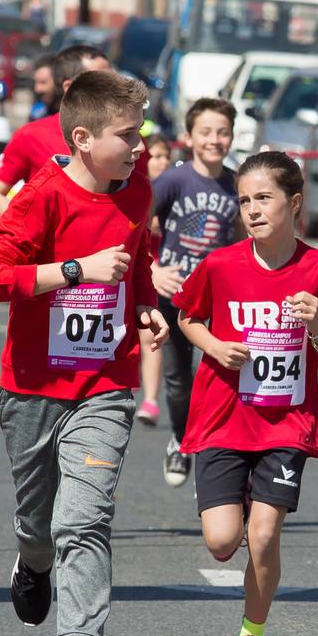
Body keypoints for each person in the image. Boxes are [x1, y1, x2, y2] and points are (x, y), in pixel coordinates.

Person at [0, 70, 170, 636]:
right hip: (30, 389)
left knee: (83, 520)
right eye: (127, 135)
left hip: (104, 389)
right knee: (39, 524)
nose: (139, 146)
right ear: (82, 138)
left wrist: (144, 306)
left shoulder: (137, 190)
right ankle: (31, 565)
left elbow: (134, 259)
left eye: (141, 133)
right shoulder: (39, 199)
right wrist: (73, 271)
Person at [173, 151, 318, 636]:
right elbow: (187, 315)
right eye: (244, 200)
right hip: (224, 418)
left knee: (265, 536)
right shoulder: (222, 264)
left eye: (264, 198)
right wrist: (215, 346)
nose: (252, 209)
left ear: (294, 203)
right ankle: (241, 498)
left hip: (285, 422)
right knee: (224, 542)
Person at [152, 98, 241, 488]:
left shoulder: (237, 184)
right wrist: (152, 271)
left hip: (217, 300)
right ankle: (180, 439)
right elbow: (134, 227)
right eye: (206, 131)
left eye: (222, 132)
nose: (215, 139)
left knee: (219, 380)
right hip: (173, 297)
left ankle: (214, 461)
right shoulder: (174, 180)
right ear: (189, 137)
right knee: (178, 381)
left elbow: (242, 240)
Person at [0, 44, 112, 221]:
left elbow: (145, 200)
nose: (112, 89)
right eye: (100, 81)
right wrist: (36, 222)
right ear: (69, 86)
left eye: (113, 80)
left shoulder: (128, 138)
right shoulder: (31, 135)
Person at [135, 132, 175, 426]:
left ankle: (150, 399)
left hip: (170, 273)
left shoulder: (175, 192)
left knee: (153, 335)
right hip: (144, 269)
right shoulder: (137, 192)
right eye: (156, 156)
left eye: (166, 157)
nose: (161, 162)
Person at [26, 54, 58, 120]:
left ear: (58, 81)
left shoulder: (68, 117)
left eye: (43, 82)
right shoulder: (37, 112)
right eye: (35, 82)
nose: (37, 89)